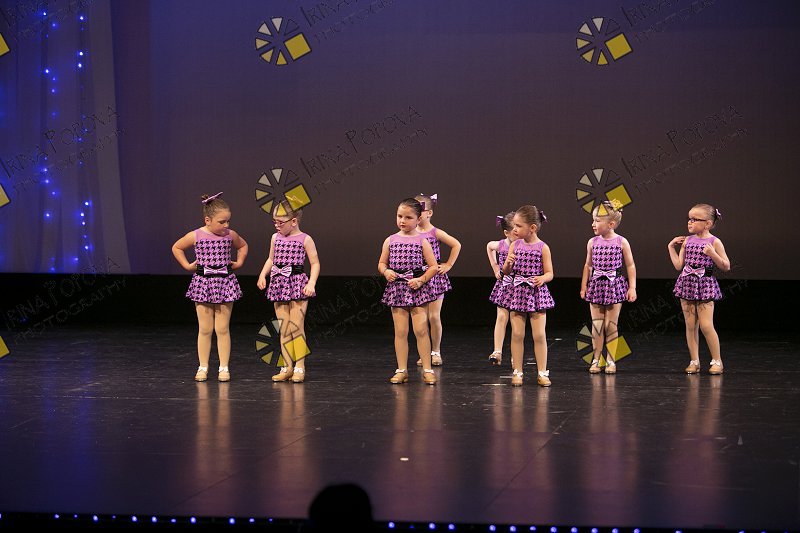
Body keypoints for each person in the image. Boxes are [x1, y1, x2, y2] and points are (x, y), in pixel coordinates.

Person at [172, 192, 248, 382]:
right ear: (208, 220)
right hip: (203, 283)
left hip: (224, 282)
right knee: (205, 329)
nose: (226, 225)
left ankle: (224, 368)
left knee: (222, 329)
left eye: (228, 221)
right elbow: (177, 247)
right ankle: (203, 366)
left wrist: (239, 263)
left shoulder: (230, 235)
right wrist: (187, 266)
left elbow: (243, 246)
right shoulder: (196, 235)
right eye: (222, 222)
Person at [378, 198, 439, 385]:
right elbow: (382, 263)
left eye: (408, 217)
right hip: (397, 289)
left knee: (421, 330)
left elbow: (433, 266)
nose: (402, 221)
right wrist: (386, 271)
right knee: (401, 331)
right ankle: (401, 369)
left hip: (417, 289)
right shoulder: (390, 240)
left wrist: (421, 280)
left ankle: (427, 369)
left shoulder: (423, 240)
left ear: (419, 219)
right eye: (399, 216)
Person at [257, 201, 320, 383]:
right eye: (274, 221)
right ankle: (287, 366)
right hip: (278, 283)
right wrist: (262, 275)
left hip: (297, 284)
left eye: (280, 222)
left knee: (296, 326)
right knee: (284, 327)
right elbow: (271, 259)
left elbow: (315, 263)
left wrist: (312, 283)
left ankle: (300, 366)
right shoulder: (275, 238)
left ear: (293, 221)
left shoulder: (305, 239)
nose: (276, 225)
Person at [668, 203, 730, 374]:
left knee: (706, 325)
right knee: (690, 325)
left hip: (705, 285)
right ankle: (694, 361)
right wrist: (671, 247)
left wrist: (712, 254)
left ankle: (717, 361)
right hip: (687, 284)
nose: (690, 222)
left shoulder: (714, 242)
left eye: (695, 219)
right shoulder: (687, 241)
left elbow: (726, 266)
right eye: (689, 219)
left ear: (708, 223)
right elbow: (679, 265)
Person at [580, 201, 637, 374]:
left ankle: (611, 360)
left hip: (614, 285)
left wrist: (632, 287)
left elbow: (630, 265)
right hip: (596, 285)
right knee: (597, 325)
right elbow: (588, 265)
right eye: (593, 220)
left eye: (597, 221)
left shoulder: (621, 242)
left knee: (611, 325)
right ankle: (596, 359)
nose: (593, 224)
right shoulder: (592, 242)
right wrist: (584, 286)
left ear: (611, 224)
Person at [501, 205, 554, 387]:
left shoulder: (543, 247)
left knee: (539, 335)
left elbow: (550, 273)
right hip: (518, 293)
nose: (514, 229)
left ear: (532, 228)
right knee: (517, 334)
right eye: (514, 225)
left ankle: (542, 372)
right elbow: (506, 272)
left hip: (536, 293)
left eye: (518, 226)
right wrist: (508, 264)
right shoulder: (514, 245)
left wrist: (542, 278)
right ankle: (517, 371)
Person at [414, 193, 461, 367]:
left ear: (429, 213)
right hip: (419, 278)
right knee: (421, 319)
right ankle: (424, 352)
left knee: (434, 317)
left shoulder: (435, 232)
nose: (418, 214)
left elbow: (456, 244)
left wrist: (448, 264)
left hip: (434, 279)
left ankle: (435, 351)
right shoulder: (411, 233)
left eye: (421, 210)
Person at [486, 211, 516, 365]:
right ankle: (497, 351)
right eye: (515, 231)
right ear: (506, 233)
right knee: (502, 317)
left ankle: (516, 355)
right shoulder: (502, 245)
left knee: (516, 321)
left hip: (520, 287)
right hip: (505, 285)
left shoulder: (524, 245)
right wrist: (495, 267)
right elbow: (489, 246)